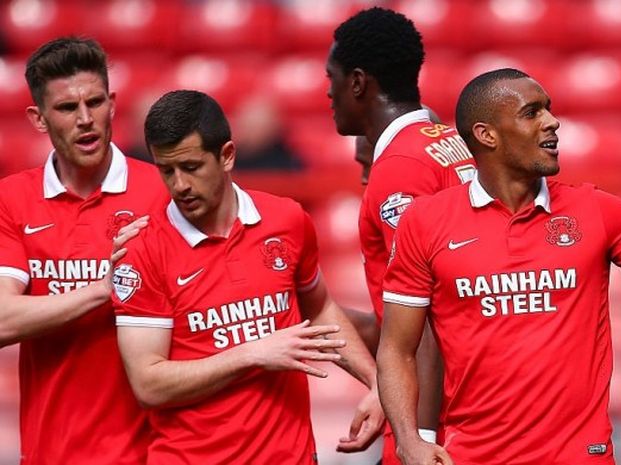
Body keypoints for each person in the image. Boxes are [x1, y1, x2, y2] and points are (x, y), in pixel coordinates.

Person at [376, 67, 621, 465]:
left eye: (548, 109)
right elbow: (396, 349)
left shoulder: (596, 210)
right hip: (472, 457)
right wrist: (410, 440)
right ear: (486, 134)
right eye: (532, 113)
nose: (553, 122)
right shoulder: (425, 221)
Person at [111, 89, 384, 465]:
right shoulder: (142, 251)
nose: (179, 186)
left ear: (226, 156)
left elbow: (319, 310)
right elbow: (148, 384)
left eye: (190, 167)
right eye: (166, 170)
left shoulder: (286, 220)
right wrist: (251, 354)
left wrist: (377, 384)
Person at [0, 37, 165, 464]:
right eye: (67, 108)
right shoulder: (13, 199)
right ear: (38, 118)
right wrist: (105, 288)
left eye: (95, 102)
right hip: (49, 453)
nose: (86, 120)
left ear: (112, 102)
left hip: (152, 454)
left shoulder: (162, 193)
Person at [326, 7, 476, 461]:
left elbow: (424, 316)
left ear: (357, 82)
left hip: (436, 416)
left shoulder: (399, 171)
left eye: (330, 77)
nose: (327, 93)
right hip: (472, 404)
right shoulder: (448, 142)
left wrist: (419, 439)